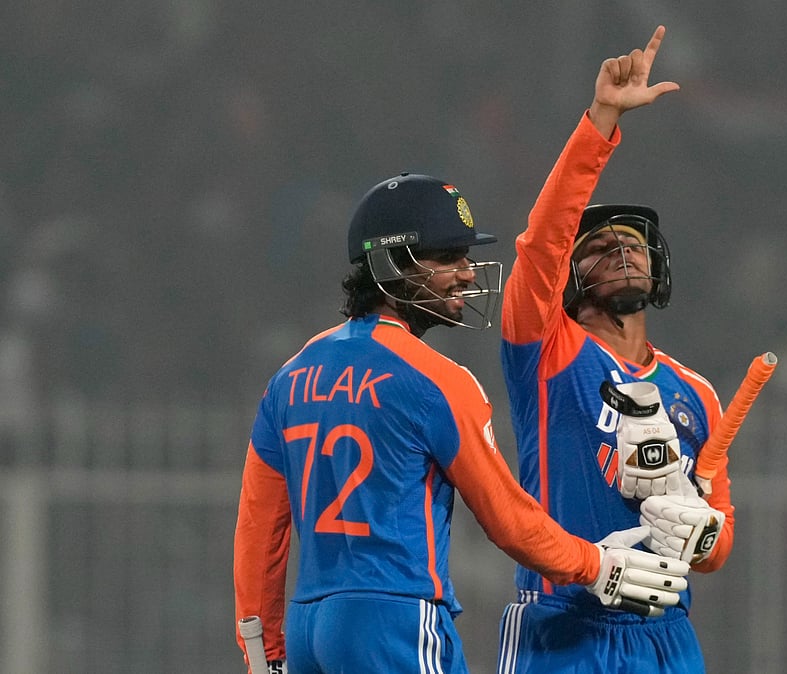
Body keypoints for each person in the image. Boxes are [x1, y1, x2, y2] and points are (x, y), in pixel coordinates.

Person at [232, 173, 691, 674]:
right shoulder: (437, 381)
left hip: (307, 629)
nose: (469, 274)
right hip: (398, 619)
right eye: (449, 257)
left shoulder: (290, 375)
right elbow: (509, 521)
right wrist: (597, 565)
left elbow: (259, 529)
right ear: (394, 264)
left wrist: (263, 649)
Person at [498, 26, 735, 674]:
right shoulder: (545, 352)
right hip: (563, 623)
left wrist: (702, 535)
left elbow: (717, 541)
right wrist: (602, 121)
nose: (623, 250)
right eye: (601, 248)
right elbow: (542, 243)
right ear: (570, 278)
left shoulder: (699, 393)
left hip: (666, 634)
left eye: (632, 243)